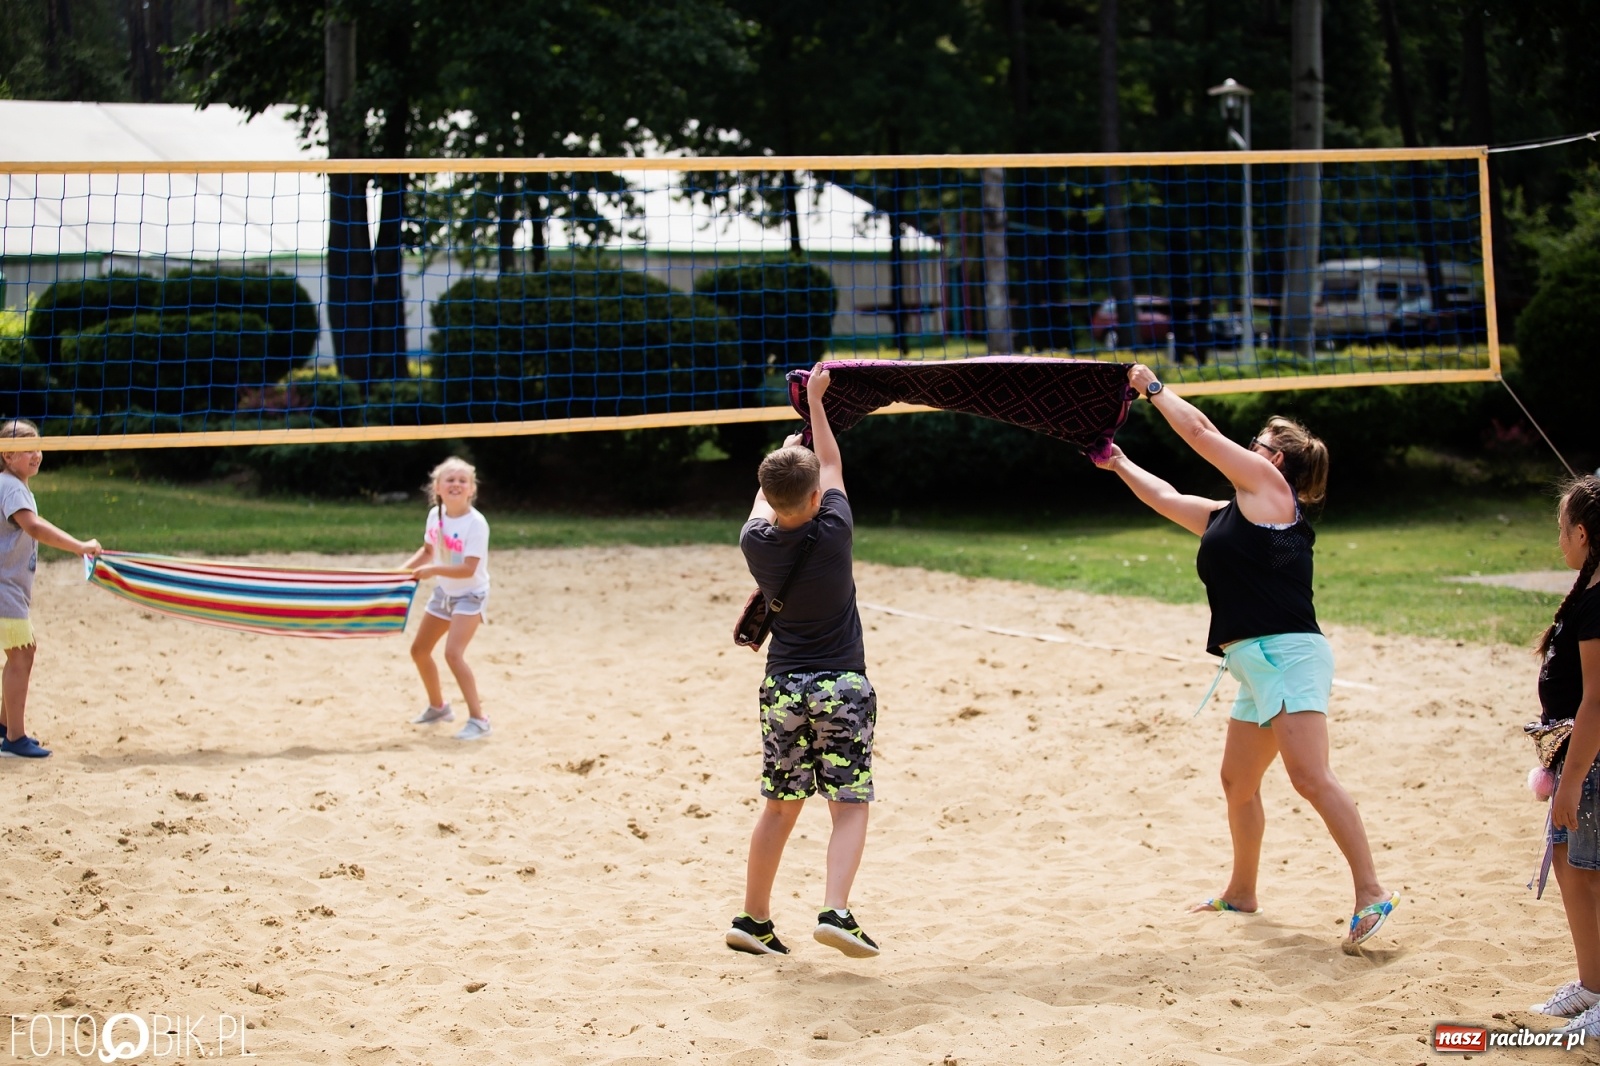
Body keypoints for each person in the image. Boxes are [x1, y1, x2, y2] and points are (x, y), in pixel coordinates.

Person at [1094, 365, 1397, 952]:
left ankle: (1370, 891)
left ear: (1274, 459)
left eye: (1257, 443)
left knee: (1309, 777)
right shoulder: (1233, 514)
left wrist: (1153, 389)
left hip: (1286, 654)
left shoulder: (1272, 491)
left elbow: (1203, 432)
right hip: (1255, 663)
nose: (1249, 447)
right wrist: (1120, 462)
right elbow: (1168, 499)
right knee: (1237, 781)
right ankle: (1242, 891)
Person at [726, 366, 880, 959]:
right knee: (849, 804)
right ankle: (836, 910)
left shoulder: (754, 541)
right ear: (818, 499)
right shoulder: (835, 528)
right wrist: (817, 404)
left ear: (767, 498)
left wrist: (786, 452)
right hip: (842, 682)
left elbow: (769, 499)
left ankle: (753, 918)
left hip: (783, 687)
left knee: (779, 807)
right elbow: (833, 465)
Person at [1529, 476, 1600, 1030]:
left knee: (1592, 872)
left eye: (1561, 529)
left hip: (1591, 761)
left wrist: (1573, 777)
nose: (1559, 542)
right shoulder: (1588, 591)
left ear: (1582, 532)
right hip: (1572, 758)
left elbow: (1599, 699)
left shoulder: (1599, 602)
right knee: (1572, 869)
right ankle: (1592, 986)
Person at [0, 420, 101, 759]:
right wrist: (79, 546)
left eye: (38, 447)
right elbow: (34, 527)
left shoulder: (11, 484)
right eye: (26, 449)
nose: (36, 454)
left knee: (19, 653)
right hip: (4, 589)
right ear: (6, 455)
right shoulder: (10, 487)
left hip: (9, 587)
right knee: (22, 653)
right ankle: (14, 738)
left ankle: (4, 727)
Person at [402, 457, 491, 741]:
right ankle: (438, 708)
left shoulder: (476, 524)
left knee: (453, 654)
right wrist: (399, 573)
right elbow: (428, 551)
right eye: (449, 480)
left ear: (471, 490)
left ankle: (479, 720)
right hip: (445, 593)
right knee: (419, 650)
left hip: (470, 594)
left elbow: (468, 569)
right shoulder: (435, 515)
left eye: (462, 480)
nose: (456, 484)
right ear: (437, 487)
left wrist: (433, 571)